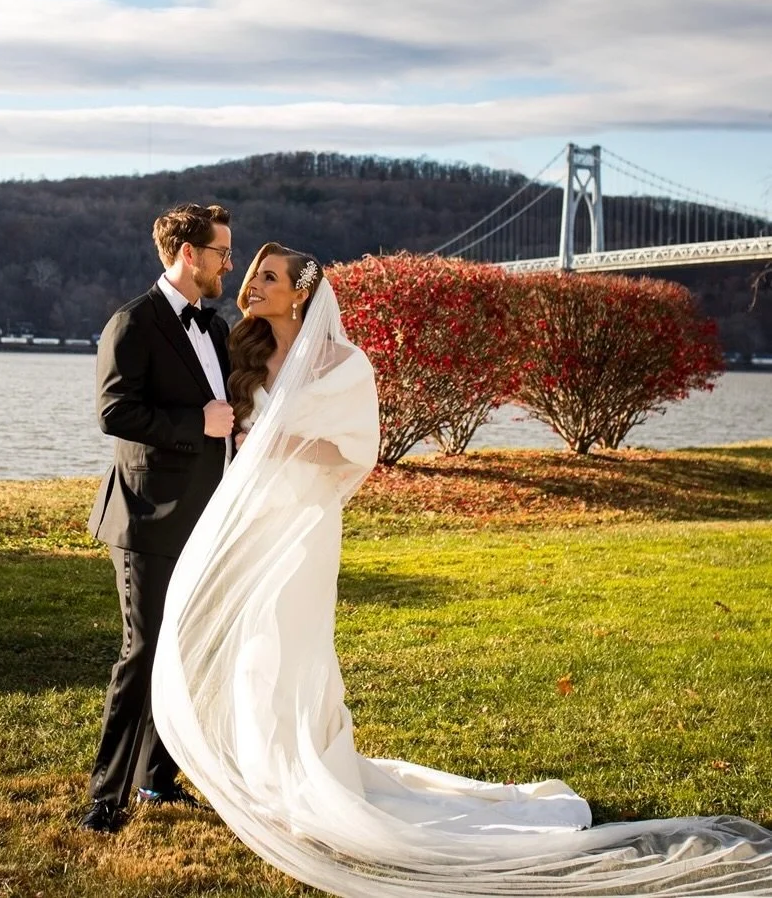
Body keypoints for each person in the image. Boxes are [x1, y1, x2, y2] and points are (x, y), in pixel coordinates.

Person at [151, 243, 772, 894]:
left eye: (268, 278)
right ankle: (265, 773)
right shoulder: (239, 356)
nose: (252, 286)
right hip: (247, 524)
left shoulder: (343, 365)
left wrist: (286, 447)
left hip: (304, 526)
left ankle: (308, 772)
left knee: (293, 646)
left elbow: (354, 454)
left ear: (301, 292)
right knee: (253, 650)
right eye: (251, 275)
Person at [79, 203, 235, 833]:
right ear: (188, 254)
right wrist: (195, 425)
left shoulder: (216, 327)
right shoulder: (132, 323)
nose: (230, 263)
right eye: (222, 251)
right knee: (142, 653)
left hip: (206, 517)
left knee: (185, 651)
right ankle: (105, 797)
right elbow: (115, 413)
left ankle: (156, 782)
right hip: (145, 517)